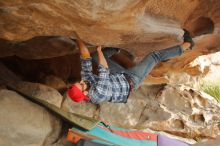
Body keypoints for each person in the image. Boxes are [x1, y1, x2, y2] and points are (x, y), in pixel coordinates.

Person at [68, 29, 194, 104]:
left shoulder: (85, 82)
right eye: (81, 84)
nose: (82, 81)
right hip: (131, 81)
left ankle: (118, 48)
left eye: (79, 82)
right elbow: (103, 70)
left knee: (94, 56)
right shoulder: (97, 94)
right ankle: (187, 45)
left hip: (116, 76)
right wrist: (100, 50)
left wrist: (75, 36)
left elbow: (85, 58)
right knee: (154, 56)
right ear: (85, 93)